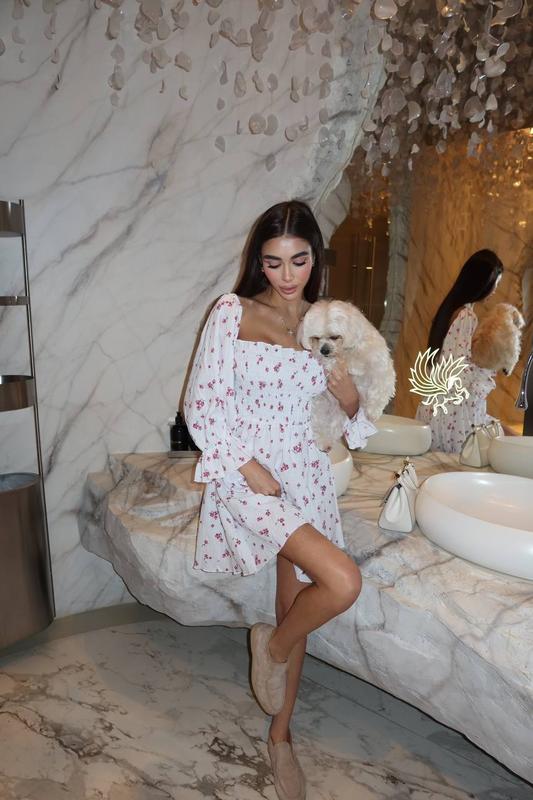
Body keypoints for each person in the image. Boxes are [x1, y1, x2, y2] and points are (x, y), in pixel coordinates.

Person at [183, 200, 376, 800]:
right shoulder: (233, 311)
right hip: (252, 476)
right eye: (273, 262)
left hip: (308, 475)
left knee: (296, 607)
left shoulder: (328, 324)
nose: (287, 275)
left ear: (316, 257)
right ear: (257, 262)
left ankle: (280, 737)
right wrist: (248, 467)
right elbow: (202, 405)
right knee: (342, 581)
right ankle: (271, 647)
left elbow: (354, 419)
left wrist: (349, 399)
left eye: (298, 260)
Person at [415, 249, 512, 453]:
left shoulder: (450, 310)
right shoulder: (466, 316)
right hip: (455, 410)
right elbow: (459, 367)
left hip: (440, 404)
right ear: (483, 283)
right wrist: (487, 369)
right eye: (495, 283)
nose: (495, 290)